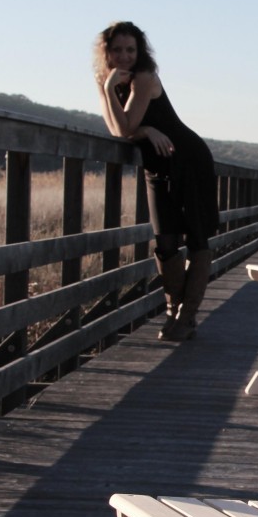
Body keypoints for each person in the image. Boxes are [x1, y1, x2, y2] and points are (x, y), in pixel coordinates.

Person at [93, 21, 219, 341]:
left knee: (196, 237)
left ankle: (186, 317)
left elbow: (124, 128)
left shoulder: (144, 77)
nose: (124, 56)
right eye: (117, 50)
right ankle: (173, 311)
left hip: (187, 158)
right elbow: (117, 129)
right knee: (165, 240)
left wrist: (139, 128)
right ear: (106, 52)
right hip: (158, 165)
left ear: (140, 51)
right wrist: (145, 129)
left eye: (131, 50)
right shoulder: (107, 79)